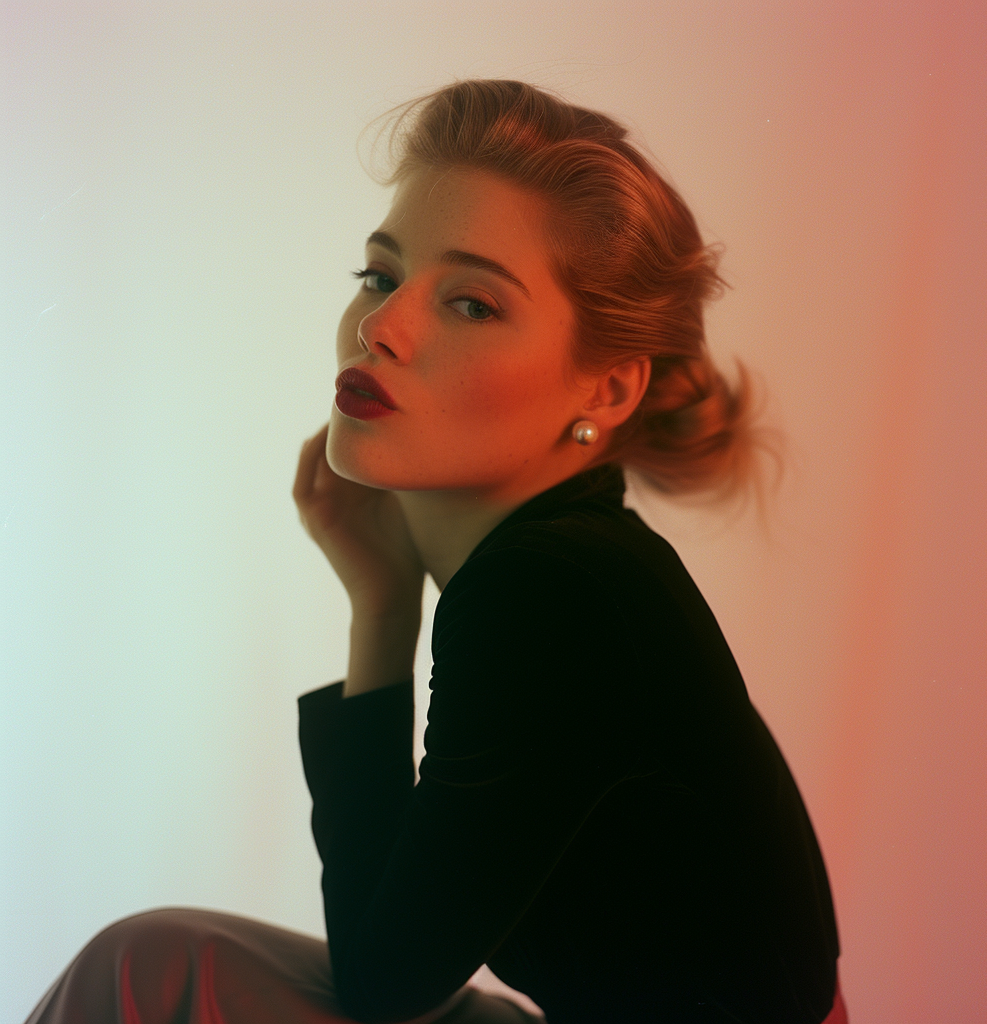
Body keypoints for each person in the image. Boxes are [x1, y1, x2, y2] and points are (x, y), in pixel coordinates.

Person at [24, 80, 846, 1024]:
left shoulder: (558, 588)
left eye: (470, 304)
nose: (382, 326)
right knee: (159, 965)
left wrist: (382, 616)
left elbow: (384, 985)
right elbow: (392, 950)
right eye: (380, 276)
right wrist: (383, 599)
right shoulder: (561, 563)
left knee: (151, 978)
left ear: (609, 390)